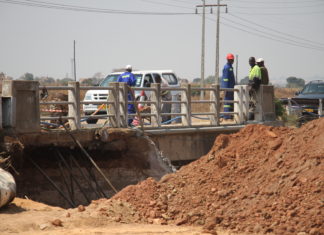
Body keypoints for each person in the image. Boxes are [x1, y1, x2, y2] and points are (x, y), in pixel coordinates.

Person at [220, 53, 236, 119]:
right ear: (227, 60)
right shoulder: (227, 67)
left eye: (232, 59)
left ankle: (230, 115)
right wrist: (225, 89)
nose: (231, 61)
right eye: (230, 59)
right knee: (227, 102)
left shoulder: (230, 67)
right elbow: (225, 79)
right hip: (228, 88)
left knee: (231, 101)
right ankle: (226, 116)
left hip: (231, 87)